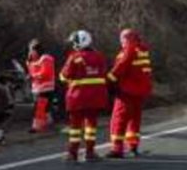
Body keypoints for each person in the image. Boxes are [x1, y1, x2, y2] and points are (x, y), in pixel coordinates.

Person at [59, 30, 109, 162]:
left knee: (75, 127)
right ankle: (90, 152)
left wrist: (64, 77)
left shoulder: (74, 57)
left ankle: (73, 153)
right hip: (95, 98)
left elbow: (64, 76)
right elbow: (104, 74)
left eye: (74, 42)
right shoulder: (99, 57)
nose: (73, 45)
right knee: (91, 126)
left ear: (80, 42)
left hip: (77, 98)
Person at [107, 28, 153, 158]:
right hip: (140, 91)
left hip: (127, 91)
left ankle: (117, 148)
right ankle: (133, 146)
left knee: (119, 119)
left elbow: (120, 67)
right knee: (134, 119)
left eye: (122, 39)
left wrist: (108, 80)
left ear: (126, 39)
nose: (121, 42)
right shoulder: (142, 50)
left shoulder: (129, 50)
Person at [27, 39, 57, 134]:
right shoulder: (34, 60)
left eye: (31, 50)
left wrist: (33, 76)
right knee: (45, 108)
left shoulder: (46, 58)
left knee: (40, 108)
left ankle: (36, 127)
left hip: (45, 88)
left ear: (37, 50)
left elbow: (45, 73)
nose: (30, 52)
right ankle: (49, 124)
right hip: (38, 89)